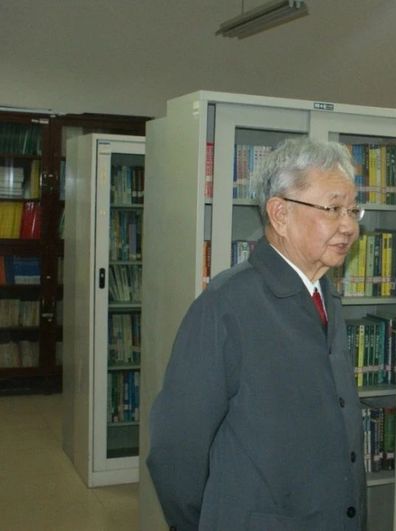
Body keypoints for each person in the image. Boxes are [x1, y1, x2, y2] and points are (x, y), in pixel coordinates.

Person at [147, 137, 367, 530]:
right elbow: (176, 449)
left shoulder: (324, 295)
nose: (349, 226)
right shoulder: (226, 305)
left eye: (353, 210)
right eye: (333, 209)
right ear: (280, 213)